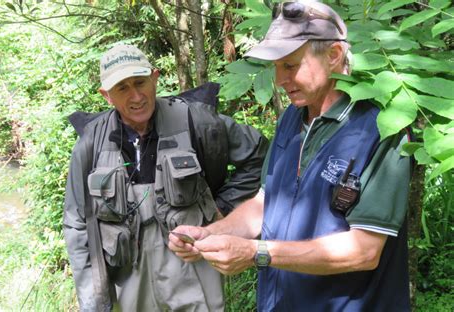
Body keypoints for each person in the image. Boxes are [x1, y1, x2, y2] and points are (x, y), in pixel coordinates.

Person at [169, 1, 412, 311]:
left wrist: (258, 252)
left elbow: (364, 251)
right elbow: (264, 203)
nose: (280, 79)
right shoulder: (291, 119)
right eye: (276, 66)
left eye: (290, 65)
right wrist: (208, 234)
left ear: (334, 55)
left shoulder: (382, 127)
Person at [63, 44, 268, 311]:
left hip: (192, 264)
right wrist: (92, 301)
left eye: (140, 82)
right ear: (107, 95)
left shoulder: (196, 121)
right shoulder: (91, 144)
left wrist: (224, 208)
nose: (136, 96)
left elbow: (260, 156)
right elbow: (77, 224)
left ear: (155, 77)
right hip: (127, 276)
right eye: (122, 88)